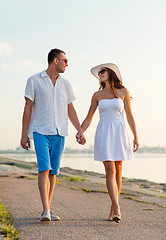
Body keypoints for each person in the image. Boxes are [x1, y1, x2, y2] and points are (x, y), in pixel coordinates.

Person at [20, 48, 86, 222]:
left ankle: (47, 209)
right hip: (40, 130)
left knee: (53, 173)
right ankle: (45, 210)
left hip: (60, 132)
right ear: (55, 61)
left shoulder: (66, 84)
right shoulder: (34, 80)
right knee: (44, 168)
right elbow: (27, 108)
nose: (67, 64)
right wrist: (24, 134)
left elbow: (70, 109)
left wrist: (79, 129)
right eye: (65, 60)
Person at [76, 63, 139, 223]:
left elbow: (130, 116)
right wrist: (80, 130)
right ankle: (117, 208)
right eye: (99, 72)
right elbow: (89, 117)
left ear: (111, 73)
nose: (100, 73)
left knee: (118, 170)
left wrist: (136, 137)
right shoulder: (97, 95)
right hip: (104, 132)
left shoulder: (123, 92)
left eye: (103, 71)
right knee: (110, 170)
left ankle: (113, 208)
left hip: (120, 132)